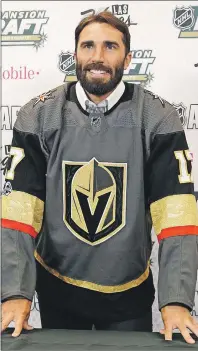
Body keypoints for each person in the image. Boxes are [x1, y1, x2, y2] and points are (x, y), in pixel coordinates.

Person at [1, 11, 198, 344]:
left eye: (110, 47)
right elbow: (19, 212)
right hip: (57, 285)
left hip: (128, 291)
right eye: (88, 46)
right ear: (75, 54)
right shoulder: (38, 114)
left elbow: (176, 216)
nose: (97, 57)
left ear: (128, 57)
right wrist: (15, 291)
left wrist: (176, 299)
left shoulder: (158, 117)